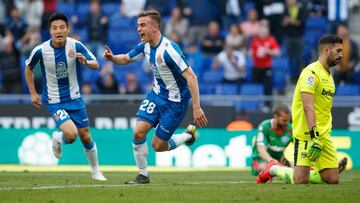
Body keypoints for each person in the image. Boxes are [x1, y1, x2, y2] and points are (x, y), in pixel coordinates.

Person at [103, 10, 208, 184]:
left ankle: (187, 136)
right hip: (156, 95)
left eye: (142, 25)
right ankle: (143, 175)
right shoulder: (145, 46)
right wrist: (112, 58)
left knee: (157, 146)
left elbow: (191, 76)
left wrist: (196, 108)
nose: (139, 29)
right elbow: (126, 59)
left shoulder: (169, 50)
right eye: (138, 25)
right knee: (138, 133)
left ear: (155, 27)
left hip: (175, 103)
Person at [24, 13, 106, 181]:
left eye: (62, 27)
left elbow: (96, 64)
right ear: (50, 31)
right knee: (71, 135)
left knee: (86, 136)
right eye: (55, 28)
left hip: (75, 98)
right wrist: (33, 93)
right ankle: (59, 137)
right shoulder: (40, 50)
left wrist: (85, 62)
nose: (58, 31)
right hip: (54, 101)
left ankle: (96, 171)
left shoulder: (75, 45)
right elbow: (28, 68)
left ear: (68, 29)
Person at [257, 35, 344, 184]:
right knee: (300, 180)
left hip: (324, 135)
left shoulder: (329, 76)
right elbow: (308, 106)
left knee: (332, 179)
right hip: (307, 134)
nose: (341, 55)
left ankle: (314, 169)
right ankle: (274, 168)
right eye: (338, 51)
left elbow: (324, 108)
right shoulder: (310, 73)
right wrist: (314, 136)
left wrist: (323, 135)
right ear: (326, 50)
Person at [251, 104, 292, 176]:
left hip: (279, 161)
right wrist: (273, 162)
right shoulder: (264, 127)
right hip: (262, 160)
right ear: (275, 117)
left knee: (296, 166)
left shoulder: (290, 129)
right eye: (284, 120)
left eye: (288, 120)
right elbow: (261, 151)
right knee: (263, 167)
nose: (286, 123)